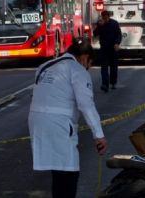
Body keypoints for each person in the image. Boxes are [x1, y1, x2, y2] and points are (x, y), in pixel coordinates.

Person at [28, 38, 108, 198]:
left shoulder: (45, 66)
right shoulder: (77, 70)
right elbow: (86, 104)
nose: (88, 67)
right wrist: (99, 136)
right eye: (89, 63)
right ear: (84, 57)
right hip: (59, 124)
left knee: (58, 171)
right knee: (69, 172)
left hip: (37, 121)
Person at [93, 10, 122, 92]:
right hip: (104, 49)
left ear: (109, 17)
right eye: (103, 18)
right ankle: (105, 84)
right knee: (104, 67)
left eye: (106, 18)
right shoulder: (100, 24)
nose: (105, 20)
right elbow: (95, 34)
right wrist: (99, 26)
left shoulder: (114, 23)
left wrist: (117, 43)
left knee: (113, 67)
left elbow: (119, 35)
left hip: (113, 48)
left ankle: (113, 82)